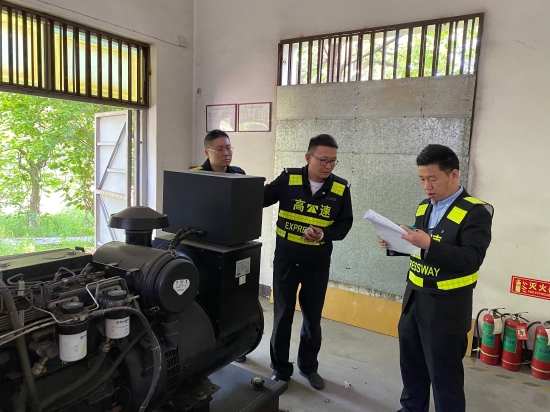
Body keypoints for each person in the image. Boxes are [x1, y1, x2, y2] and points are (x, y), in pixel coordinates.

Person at [378, 144, 493, 412]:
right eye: (421, 179)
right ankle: (411, 408)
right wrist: (394, 243)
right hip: (414, 299)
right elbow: (419, 249)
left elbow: (471, 258)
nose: (426, 186)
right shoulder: (423, 208)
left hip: (447, 307)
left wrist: (429, 244)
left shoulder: (476, 212)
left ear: (454, 174)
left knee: (444, 375)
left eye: (433, 179)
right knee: (411, 365)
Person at [264, 134, 353, 390]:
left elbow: (344, 224)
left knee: (312, 318)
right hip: (286, 260)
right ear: (308, 157)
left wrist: (324, 234)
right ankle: (280, 369)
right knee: (283, 316)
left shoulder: (340, 188)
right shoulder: (289, 179)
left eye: (333, 161)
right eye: (323, 160)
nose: (328, 166)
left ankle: (308, 367)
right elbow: (259, 198)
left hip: (317, 263)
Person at [193, 129, 246, 364]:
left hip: (234, 245)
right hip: (205, 248)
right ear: (207, 152)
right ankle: (206, 345)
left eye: (229, 147)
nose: (227, 153)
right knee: (208, 296)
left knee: (235, 297)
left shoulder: (239, 174)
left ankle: (235, 347)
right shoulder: (196, 176)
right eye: (220, 149)